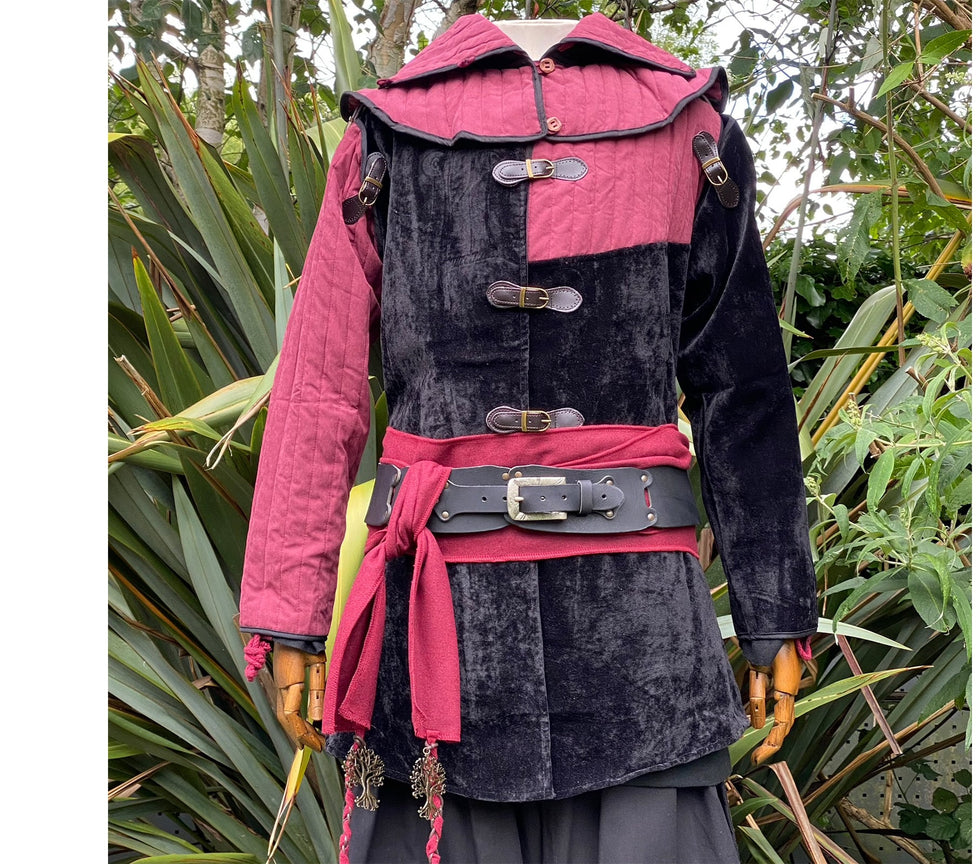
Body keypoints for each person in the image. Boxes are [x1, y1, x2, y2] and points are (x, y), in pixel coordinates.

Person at [239, 12, 819, 863]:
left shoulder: (690, 133)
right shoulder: (385, 141)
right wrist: (289, 611)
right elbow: (318, 382)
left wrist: (775, 610)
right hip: (451, 641)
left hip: (636, 651)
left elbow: (742, 384)